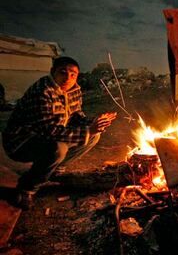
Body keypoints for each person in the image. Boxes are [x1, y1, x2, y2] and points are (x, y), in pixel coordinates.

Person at [2, 56, 117, 209]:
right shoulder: (42, 92)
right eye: (63, 72)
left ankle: (54, 169)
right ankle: (27, 187)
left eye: (73, 74)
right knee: (58, 148)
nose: (67, 78)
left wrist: (95, 122)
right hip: (22, 141)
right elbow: (48, 131)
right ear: (52, 72)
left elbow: (76, 116)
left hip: (49, 135)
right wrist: (88, 130)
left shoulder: (74, 89)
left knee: (94, 136)